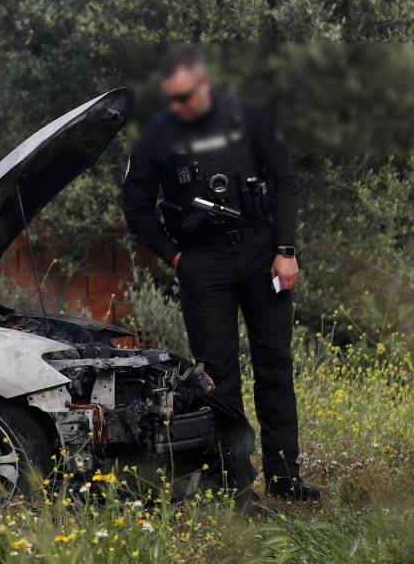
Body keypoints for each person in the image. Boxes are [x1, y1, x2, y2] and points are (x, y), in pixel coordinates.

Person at [120, 46, 319, 509]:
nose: (179, 106)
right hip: (202, 262)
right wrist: (175, 258)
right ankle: (237, 489)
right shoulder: (157, 134)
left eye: (186, 97)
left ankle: (286, 478)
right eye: (171, 98)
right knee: (217, 379)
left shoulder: (247, 117)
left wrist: (285, 251)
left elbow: (286, 179)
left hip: (260, 252)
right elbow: (135, 208)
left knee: (275, 367)